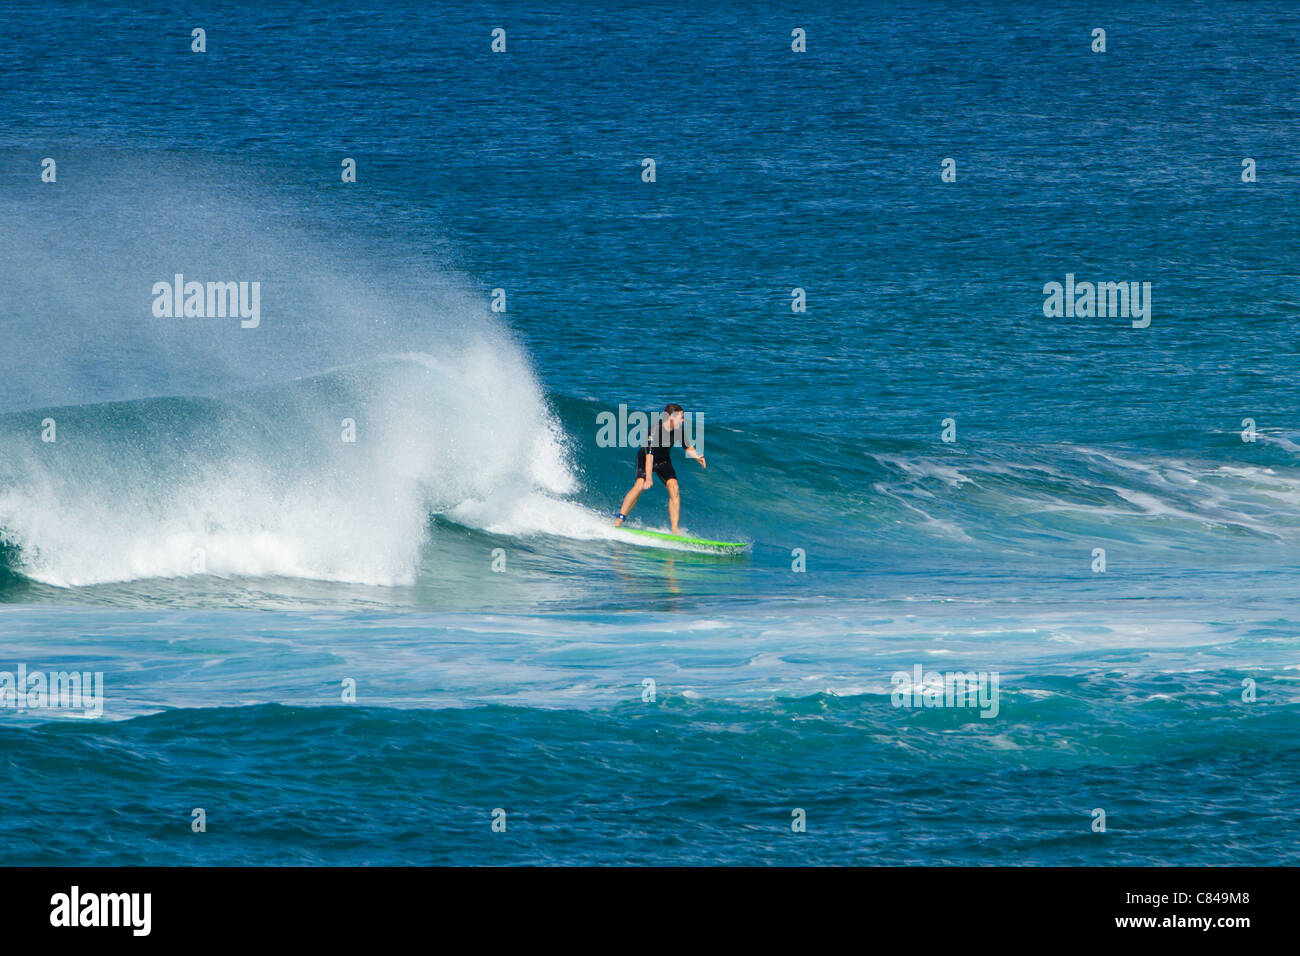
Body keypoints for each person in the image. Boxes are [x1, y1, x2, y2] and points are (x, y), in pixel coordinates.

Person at [613, 403, 706, 534]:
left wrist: (697, 457)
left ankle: (674, 528)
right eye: (681, 416)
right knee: (639, 485)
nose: (683, 419)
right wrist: (649, 478)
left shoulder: (679, 431)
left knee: (674, 487)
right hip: (646, 458)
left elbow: (688, 448)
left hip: (663, 461)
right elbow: (649, 456)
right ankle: (620, 519)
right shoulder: (655, 431)